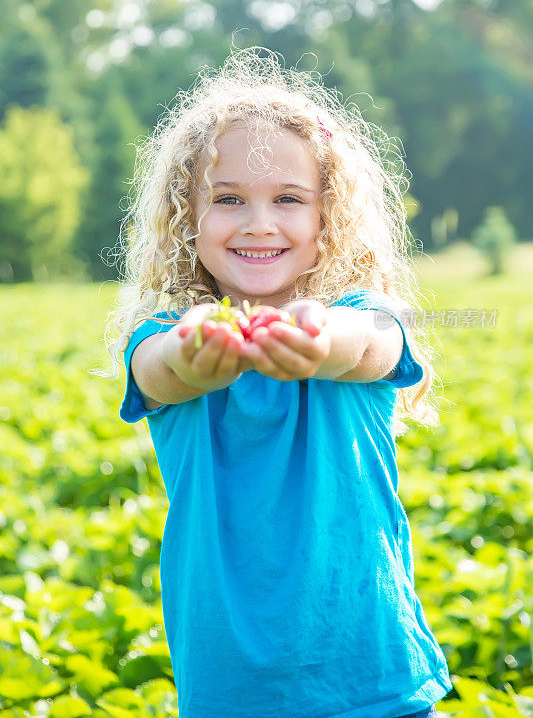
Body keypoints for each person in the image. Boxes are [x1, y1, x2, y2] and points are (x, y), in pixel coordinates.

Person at [106, 47, 452, 717]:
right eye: (228, 198)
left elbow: (365, 349)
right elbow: (162, 372)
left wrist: (313, 339)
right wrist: (200, 347)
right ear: (186, 218)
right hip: (231, 685)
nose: (258, 222)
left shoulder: (366, 317)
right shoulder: (160, 337)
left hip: (373, 673)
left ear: (328, 221)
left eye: (288, 199)